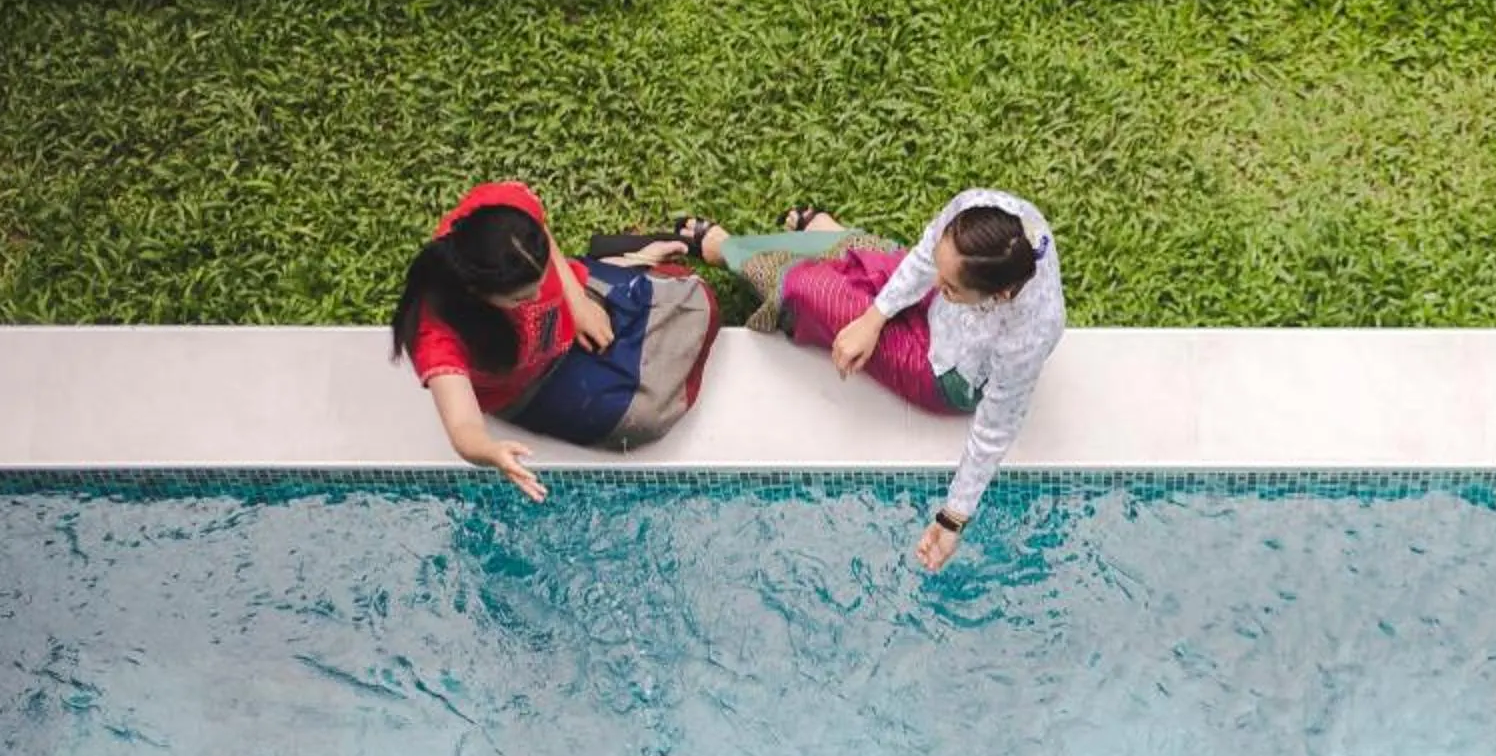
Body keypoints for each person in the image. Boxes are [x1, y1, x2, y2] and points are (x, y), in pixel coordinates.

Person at [677, 190, 1063, 572]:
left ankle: (727, 249)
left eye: (949, 287)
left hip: (945, 370)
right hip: (942, 314)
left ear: (1000, 295)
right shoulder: (983, 212)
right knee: (878, 275)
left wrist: (951, 519)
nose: (936, 284)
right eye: (940, 272)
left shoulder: (1029, 334)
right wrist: (875, 319)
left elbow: (994, 430)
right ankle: (831, 239)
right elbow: (924, 259)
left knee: (813, 289)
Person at [391, 181, 721, 499]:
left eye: (538, 281)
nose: (536, 295)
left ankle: (620, 261)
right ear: (477, 294)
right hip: (534, 384)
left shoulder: (500, 213)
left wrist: (576, 301)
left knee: (690, 301)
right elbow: (462, 424)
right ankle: (623, 263)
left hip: (573, 310)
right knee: (645, 418)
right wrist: (489, 450)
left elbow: (538, 228)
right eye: (521, 298)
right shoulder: (437, 334)